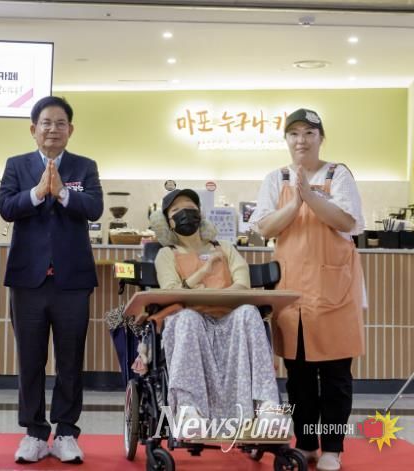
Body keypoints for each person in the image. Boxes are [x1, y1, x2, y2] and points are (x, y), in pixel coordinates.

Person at [250, 108, 365, 471]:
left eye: (309, 133)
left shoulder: (338, 174)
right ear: (287, 139)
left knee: (335, 375)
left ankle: (332, 447)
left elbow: (347, 222)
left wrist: (311, 198)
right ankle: (306, 443)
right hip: (292, 293)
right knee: (298, 376)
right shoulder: (275, 178)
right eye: (294, 133)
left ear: (320, 138)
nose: (301, 140)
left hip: (334, 291)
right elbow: (265, 228)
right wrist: (296, 201)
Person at [0, 96, 103, 464]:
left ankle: (67, 432)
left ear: (70, 130)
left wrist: (61, 192)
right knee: (30, 360)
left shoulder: (84, 166)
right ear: (33, 129)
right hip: (27, 280)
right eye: (46, 122)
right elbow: (6, 208)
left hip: (72, 281)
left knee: (71, 360)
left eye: (60, 123)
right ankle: (34, 432)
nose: (53, 129)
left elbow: (94, 208)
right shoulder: (17, 165)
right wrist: (38, 192)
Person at [154, 189, 282, 428]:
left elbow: (242, 283)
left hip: (229, 318)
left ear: (200, 214)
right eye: (176, 210)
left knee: (249, 312)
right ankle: (189, 410)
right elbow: (171, 291)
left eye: (190, 208)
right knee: (188, 317)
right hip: (190, 322)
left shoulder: (224, 248)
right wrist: (204, 272)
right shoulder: (166, 255)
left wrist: (207, 294)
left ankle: (267, 406)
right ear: (168, 222)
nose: (184, 213)